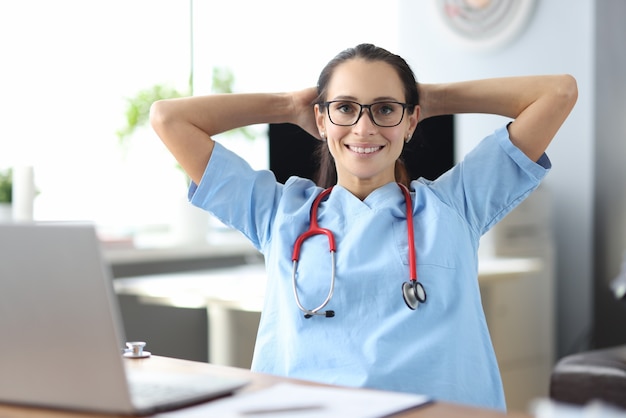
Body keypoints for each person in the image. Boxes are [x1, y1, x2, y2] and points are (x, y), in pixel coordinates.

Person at [150, 43, 577, 410]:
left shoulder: (457, 204)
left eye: (385, 109)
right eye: (346, 108)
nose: (365, 127)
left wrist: (431, 100)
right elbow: (168, 119)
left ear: (411, 122)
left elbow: (558, 92)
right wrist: (286, 106)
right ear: (321, 120)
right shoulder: (279, 213)